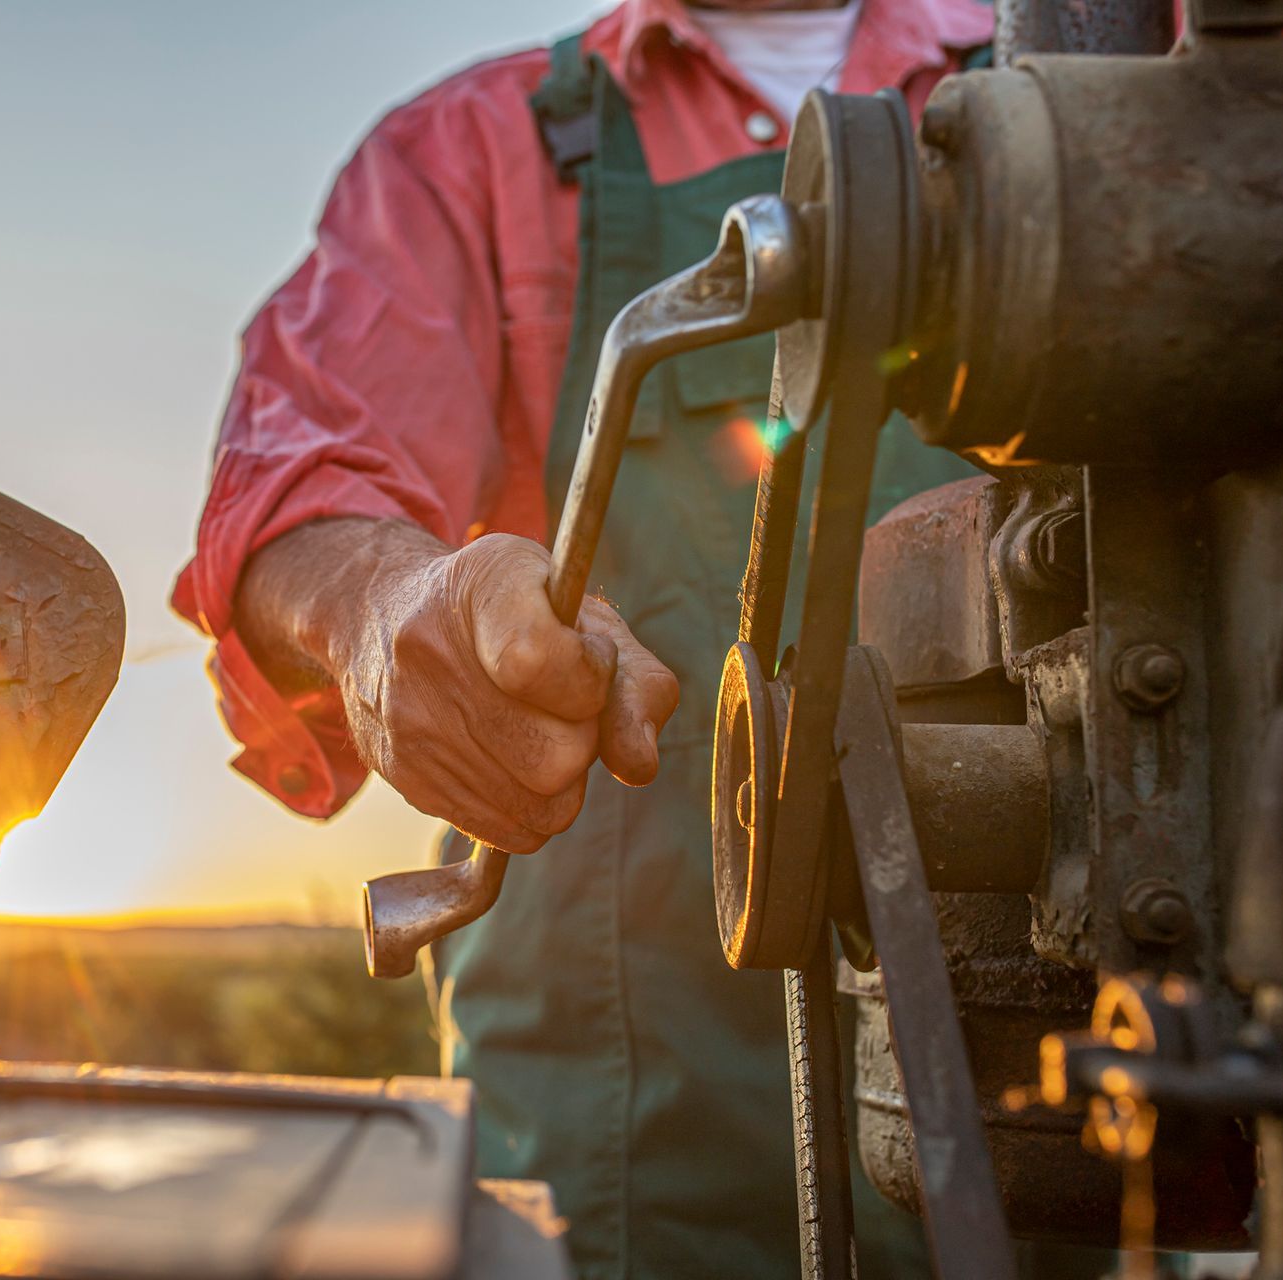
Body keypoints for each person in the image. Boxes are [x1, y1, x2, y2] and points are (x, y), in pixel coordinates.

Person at [173, 1, 992, 1275]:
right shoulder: (473, 149)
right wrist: (385, 609)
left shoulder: (1106, 71)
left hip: (1058, 1069)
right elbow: (294, 491)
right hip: (614, 1114)